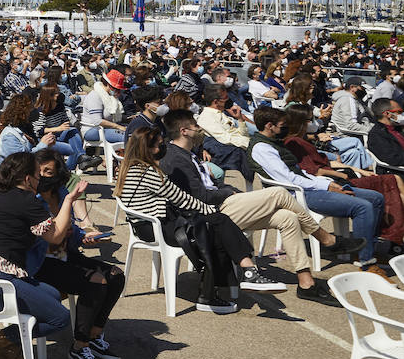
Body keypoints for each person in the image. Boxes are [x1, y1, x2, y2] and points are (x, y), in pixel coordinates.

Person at [160, 107, 365, 302]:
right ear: (184, 131)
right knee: (279, 193)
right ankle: (327, 239)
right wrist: (229, 191)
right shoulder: (175, 158)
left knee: (288, 218)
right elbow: (200, 195)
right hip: (211, 213)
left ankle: (306, 283)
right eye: (196, 126)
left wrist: (227, 190)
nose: (200, 128)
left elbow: (210, 185)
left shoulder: (189, 154)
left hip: (223, 204)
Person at [0, 151, 124, 359]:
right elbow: (56, 237)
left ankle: (9, 347)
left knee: (52, 293)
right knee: (59, 318)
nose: (41, 179)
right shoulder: (27, 199)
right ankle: (3, 337)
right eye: (38, 175)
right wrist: (70, 200)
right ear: (28, 178)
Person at [117, 125, 285, 313]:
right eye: (158, 145)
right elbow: (180, 198)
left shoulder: (128, 168)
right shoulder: (147, 173)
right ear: (145, 149)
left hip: (146, 226)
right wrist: (209, 209)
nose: (162, 148)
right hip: (157, 229)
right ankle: (240, 276)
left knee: (216, 225)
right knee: (217, 223)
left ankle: (230, 282)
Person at [248, 106, 390, 273]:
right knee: (362, 206)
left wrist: (327, 182)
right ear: (269, 125)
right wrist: (326, 185)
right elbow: (289, 179)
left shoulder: (274, 143)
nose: (286, 128)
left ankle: (367, 249)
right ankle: (366, 262)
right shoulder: (262, 148)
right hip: (297, 195)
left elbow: (300, 172)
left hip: (310, 186)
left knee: (375, 198)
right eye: (282, 125)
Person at [80, 69, 128, 148]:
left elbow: (113, 116)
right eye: (117, 89)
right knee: (127, 138)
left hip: (107, 128)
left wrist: (129, 119)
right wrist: (118, 127)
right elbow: (97, 120)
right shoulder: (95, 96)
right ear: (108, 85)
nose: (118, 92)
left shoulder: (110, 96)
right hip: (93, 130)